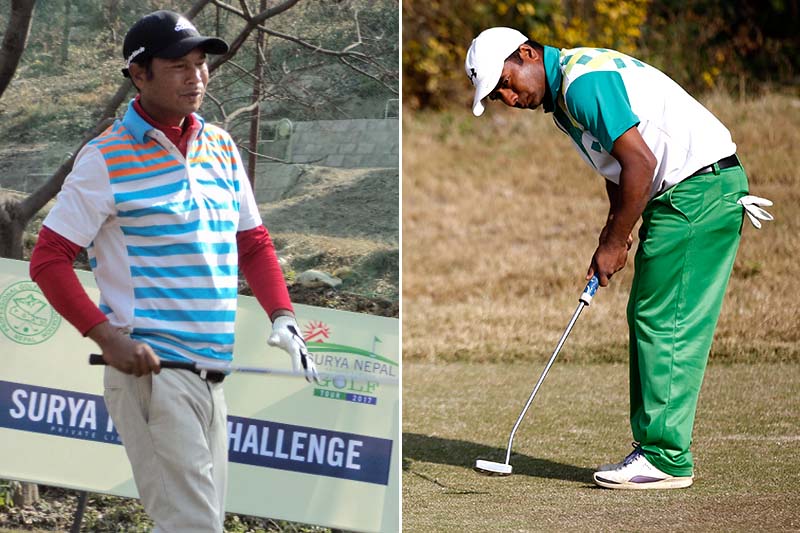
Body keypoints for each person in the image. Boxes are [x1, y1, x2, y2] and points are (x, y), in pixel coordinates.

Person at [29, 10, 317, 531]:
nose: (197, 77)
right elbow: (47, 259)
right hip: (153, 374)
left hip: (213, 377)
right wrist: (107, 338)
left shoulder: (222, 147)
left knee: (197, 525)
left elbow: (252, 242)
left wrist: (282, 315)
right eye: (179, 66)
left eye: (201, 64)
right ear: (139, 75)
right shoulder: (103, 159)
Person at [465, 27, 773, 490]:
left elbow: (640, 163)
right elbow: (619, 166)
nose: (508, 97)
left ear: (527, 53)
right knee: (651, 314)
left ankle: (665, 459)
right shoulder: (568, 95)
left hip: (698, 189)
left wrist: (615, 240)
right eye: (496, 95)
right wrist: (614, 233)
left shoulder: (582, 83)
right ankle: (657, 451)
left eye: (506, 82)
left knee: (663, 319)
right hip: (689, 191)